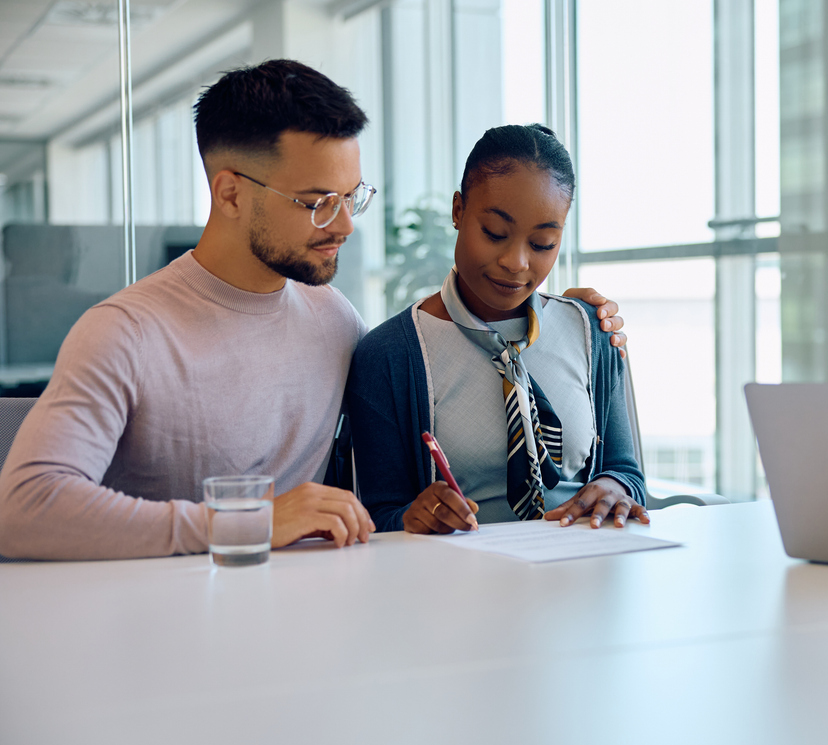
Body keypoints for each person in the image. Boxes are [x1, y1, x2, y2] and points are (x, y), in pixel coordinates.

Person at [0, 61, 627, 561]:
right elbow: (23, 507)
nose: (346, 225)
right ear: (230, 193)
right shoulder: (125, 332)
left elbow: (447, 342)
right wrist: (248, 522)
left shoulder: (336, 323)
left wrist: (564, 316)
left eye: (351, 196)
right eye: (318, 202)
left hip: (313, 622)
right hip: (166, 628)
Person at [346, 124, 647, 535]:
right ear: (458, 211)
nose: (516, 262)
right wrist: (412, 518)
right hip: (459, 571)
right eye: (495, 234)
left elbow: (626, 472)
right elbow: (376, 516)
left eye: (542, 244)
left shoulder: (590, 330)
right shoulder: (389, 355)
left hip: (582, 560)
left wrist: (615, 487)